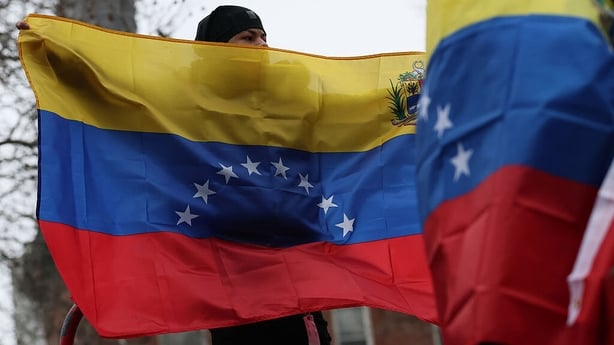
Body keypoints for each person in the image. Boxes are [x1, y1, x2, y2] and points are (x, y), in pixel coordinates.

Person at [193, 5, 332, 345]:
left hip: (296, 281)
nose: (262, 45)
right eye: (248, 37)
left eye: (264, 37)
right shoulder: (186, 108)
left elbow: (350, 116)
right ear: (216, 50)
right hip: (234, 286)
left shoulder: (292, 101)